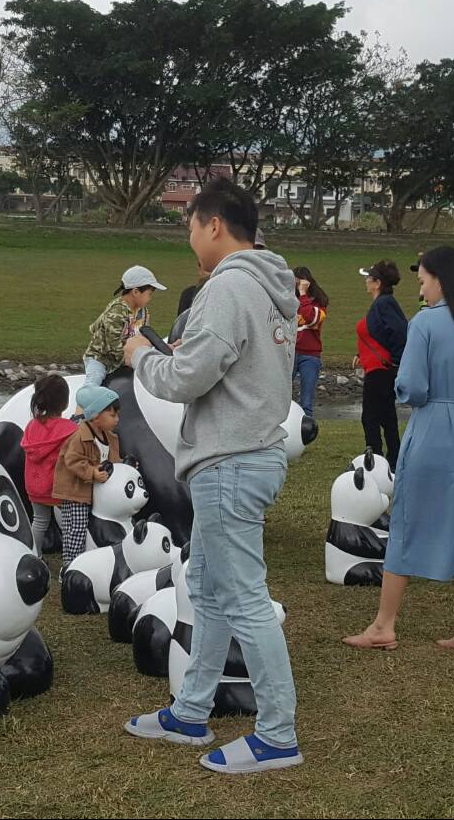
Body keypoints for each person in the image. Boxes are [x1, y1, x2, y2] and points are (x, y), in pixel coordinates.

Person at [121, 178, 303, 775]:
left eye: (191, 226)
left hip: (229, 460)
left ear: (215, 225)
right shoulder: (271, 285)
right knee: (209, 587)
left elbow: (182, 381)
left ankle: (277, 734)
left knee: (244, 597)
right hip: (252, 451)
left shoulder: (227, 288)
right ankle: (191, 709)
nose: (190, 239)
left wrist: (140, 357)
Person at [343, 246, 454, 658]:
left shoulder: (426, 324)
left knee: (409, 520)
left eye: (423, 281)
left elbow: (413, 386)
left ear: (440, 279)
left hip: (434, 427)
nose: (421, 288)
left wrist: (415, 393)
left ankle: (384, 624)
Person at [51, 385, 123, 569]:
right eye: (112, 415)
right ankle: (70, 568)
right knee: (76, 529)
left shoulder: (110, 437)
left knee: (92, 527)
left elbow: (113, 460)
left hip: (96, 492)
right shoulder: (79, 437)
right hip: (77, 493)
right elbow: (73, 460)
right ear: (96, 416)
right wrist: (92, 472)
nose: (117, 419)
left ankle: (91, 565)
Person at [355, 260, 408, 467]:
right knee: (386, 415)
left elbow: (398, 332)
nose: (366, 281)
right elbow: (377, 334)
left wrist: (394, 360)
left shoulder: (384, 303)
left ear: (377, 283)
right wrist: (361, 353)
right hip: (377, 367)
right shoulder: (381, 303)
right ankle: (393, 457)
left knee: (370, 415)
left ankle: (374, 457)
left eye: (369, 278)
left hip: (381, 370)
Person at [21, 374, 77, 555]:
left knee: (39, 521)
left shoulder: (31, 426)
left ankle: (34, 556)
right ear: (65, 402)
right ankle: (72, 556)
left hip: (35, 485)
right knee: (70, 522)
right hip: (59, 486)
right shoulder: (69, 429)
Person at [82, 265, 164, 388]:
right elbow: (113, 345)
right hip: (101, 359)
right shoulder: (117, 312)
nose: (150, 298)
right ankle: (83, 405)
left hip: (125, 359)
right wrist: (132, 359)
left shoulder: (143, 312)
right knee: (92, 384)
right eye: (149, 294)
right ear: (136, 292)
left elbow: (145, 337)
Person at [292, 266, 329, 418]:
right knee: (281, 395)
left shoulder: (318, 303)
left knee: (306, 400)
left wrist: (302, 294)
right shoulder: (290, 300)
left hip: (310, 355)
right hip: (291, 352)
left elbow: (311, 318)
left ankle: (306, 428)